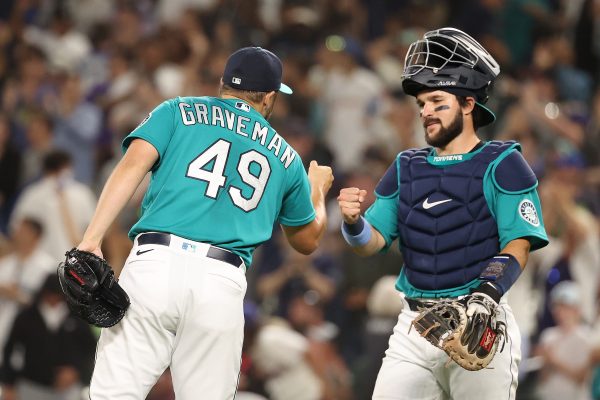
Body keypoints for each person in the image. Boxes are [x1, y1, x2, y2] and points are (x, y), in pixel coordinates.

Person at [75, 46, 334, 399]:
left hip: (154, 265)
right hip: (220, 281)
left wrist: (92, 238)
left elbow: (132, 166)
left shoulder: (178, 110)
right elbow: (306, 240)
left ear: (223, 83)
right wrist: (317, 192)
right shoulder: (286, 156)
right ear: (270, 98)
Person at [337, 28, 549, 400]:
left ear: (468, 104)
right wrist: (354, 224)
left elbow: (519, 242)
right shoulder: (406, 165)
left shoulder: (502, 162)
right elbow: (373, 243)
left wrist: (486, 294)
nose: (426, 112)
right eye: (422, 104)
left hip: (480, 320)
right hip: (415, 324)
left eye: (437, 100)